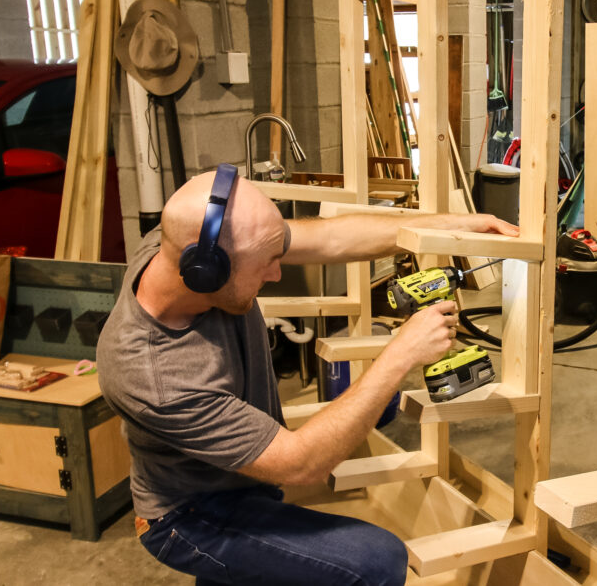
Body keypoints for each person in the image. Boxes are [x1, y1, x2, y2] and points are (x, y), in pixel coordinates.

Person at [97, 165, 518, 585]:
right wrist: (400, 354)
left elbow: (333, 237)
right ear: (208, 271)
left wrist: (458, 225)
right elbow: (300, 466)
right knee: (378, 562)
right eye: (265, 264)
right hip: (191, 514)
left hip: (237, 479)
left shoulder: (181, 246)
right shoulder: (151, 375)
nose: (277, 274)